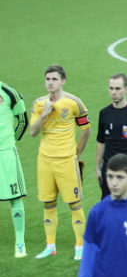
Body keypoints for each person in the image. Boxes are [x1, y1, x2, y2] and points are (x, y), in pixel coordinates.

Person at [29, 65, 90, 261]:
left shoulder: (74, 103)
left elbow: (86, 130)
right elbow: (33, 132)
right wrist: (45, 113)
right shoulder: (39, 104)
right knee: (48, 203)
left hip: (66, 161)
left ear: (63, 81)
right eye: (48, 79)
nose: (50, 82)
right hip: (45, 160)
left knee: (74, 203)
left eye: (54, 79)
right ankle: (50, 245)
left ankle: (80, 247)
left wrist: (76, 153)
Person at [0, 81, 28, 257]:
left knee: (15, 197)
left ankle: (20, 242)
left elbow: (23, 120)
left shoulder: (8, 92)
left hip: (6, 154)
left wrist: (12, 142)